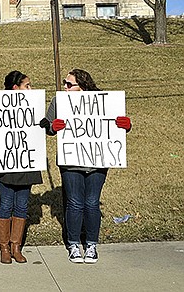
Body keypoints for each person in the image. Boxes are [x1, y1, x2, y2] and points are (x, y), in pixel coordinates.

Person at [41, 69, 132, 264]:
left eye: (69, 84)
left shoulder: (103, 101)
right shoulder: (59, 102)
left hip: (97, 161)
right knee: (74, 202)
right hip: (71, 161)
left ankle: (91, 244)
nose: (64, 87)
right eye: (64, 83)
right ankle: (73, 244)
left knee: (91, 202)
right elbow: (47, 126)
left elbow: (116, 126)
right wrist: (52, 127)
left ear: (82, 86)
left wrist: (125, 125)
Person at [0, 71, 42, 264]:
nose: (30, 89)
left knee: (22, 205)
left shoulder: (34, 106)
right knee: (6, 203)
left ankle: (16, 246)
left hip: (26, 163)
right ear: (16, 88)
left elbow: (42, 129)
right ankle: (4, 248)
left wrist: (42, 125)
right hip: (5, 164)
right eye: (27, 85)